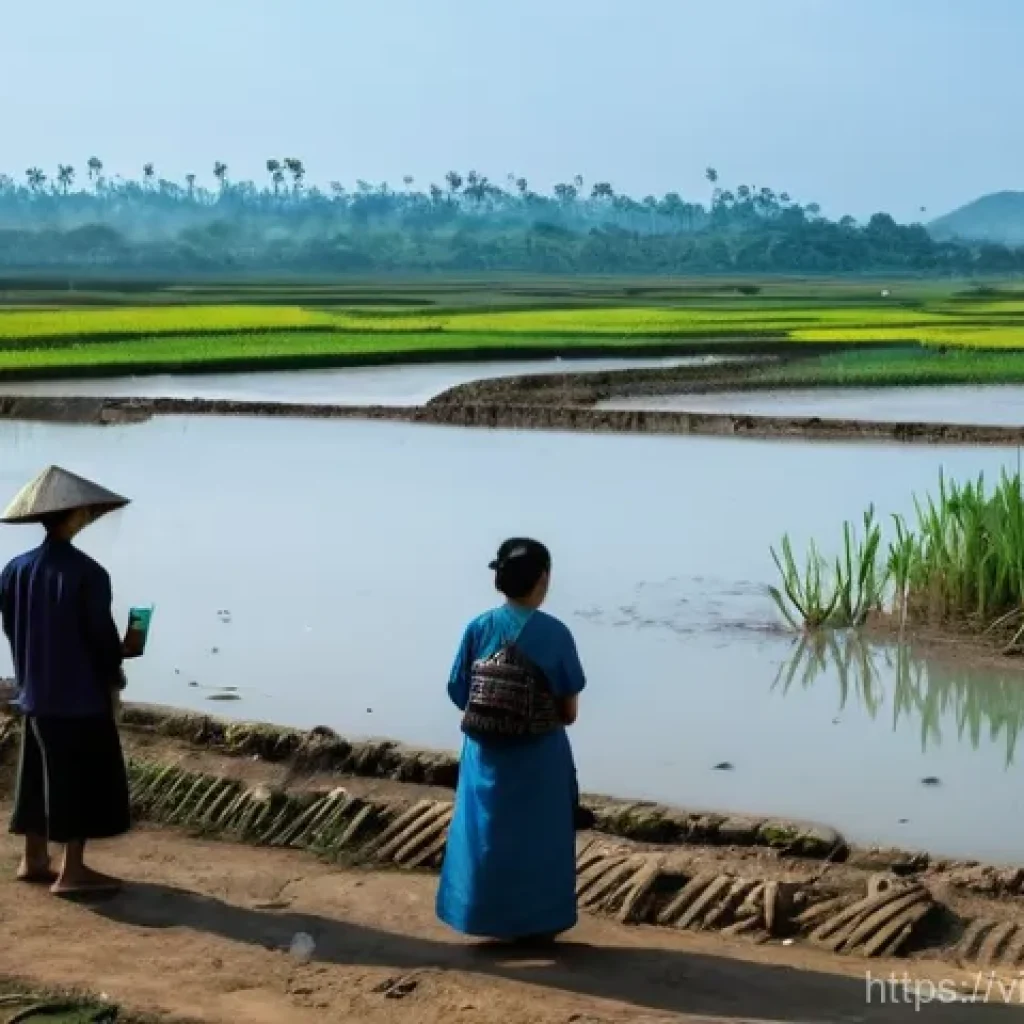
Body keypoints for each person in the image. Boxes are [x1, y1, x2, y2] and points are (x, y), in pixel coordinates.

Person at [437, 538, 586, 942]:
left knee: (484, 833)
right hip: (539, 756)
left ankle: (480, 914)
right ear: (543, 578)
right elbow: (569, 711)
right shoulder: (555, 633)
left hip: (484, 752)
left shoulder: (479, 627)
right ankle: (538, 922)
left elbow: (458, 691)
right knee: (539, 837)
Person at [0, 465, 138, 897]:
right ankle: (71, 871)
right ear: (75, 515)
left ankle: (34, 858)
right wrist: (122, 656)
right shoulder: (88, 574)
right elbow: (100, 640)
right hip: (78, 696)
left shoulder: (14, 569)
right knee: (78, 779)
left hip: (34, 691)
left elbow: (13, 628)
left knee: (37, 774)